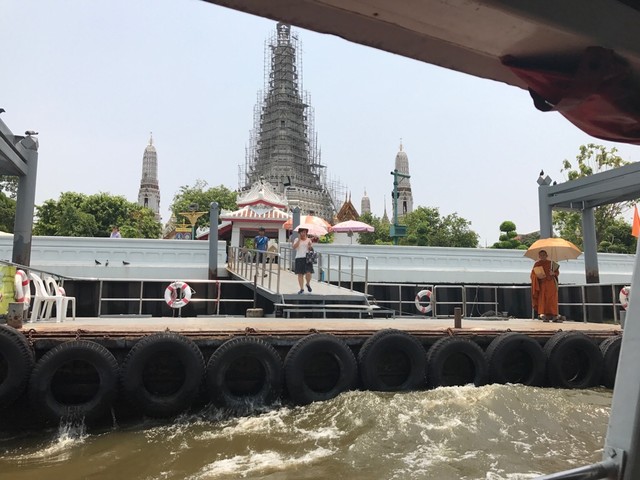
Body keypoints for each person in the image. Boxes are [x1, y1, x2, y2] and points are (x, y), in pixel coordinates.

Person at [530, 249, 561, 322]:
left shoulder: (552, 263)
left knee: (552, 299)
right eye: (541, 255)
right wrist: (537, 276)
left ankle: (554, 314)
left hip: (551, 284)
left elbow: (557, 273)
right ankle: (543, 314)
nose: (542, 256)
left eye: (544, 255)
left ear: (547, 256)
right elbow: (532, 274)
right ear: (539, 256)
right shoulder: (537, 264)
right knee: (542, 299)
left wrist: (553, 273)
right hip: (542, 284)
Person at [292, 227, 313, 294]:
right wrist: (299, 240)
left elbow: (310, 249)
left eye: (304, 232)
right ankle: (301, 288)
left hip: (307, 258)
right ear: (299, 233)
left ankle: (308, 283)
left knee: (308, 273)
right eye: (302, 232)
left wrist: (309, 246)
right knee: (300, 274)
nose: (303, 233)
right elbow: (294, 247)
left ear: (306, 233)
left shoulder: (309, 240)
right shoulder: (296, 239)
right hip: (299, 257)